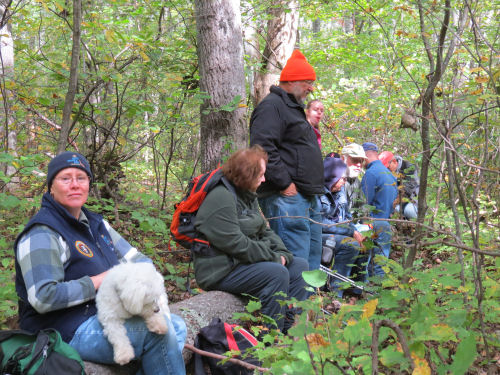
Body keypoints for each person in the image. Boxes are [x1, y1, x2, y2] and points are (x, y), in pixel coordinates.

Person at [14, 151, 186, 375]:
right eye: (66, 179)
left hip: (103, 314)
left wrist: (138, 283)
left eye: (81, 178)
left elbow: (139, 260)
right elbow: (44, 297)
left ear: (88, 184)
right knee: (156, 333)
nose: (75, 185)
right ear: (51, 187)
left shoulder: (97, 224)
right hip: (61, 329)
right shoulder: (42, 232)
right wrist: (101, 280)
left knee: (177, 325)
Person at [193, 146, 309, 334]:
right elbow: (236, 244)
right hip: (220, 271)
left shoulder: (247, 195)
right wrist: (273, 257)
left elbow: (265, 230)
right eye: (261, 175)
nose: (264, 179)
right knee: (277, 273)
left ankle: (292, 331)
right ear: (247, 175)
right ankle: (271, 340)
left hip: (241, 263)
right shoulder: (220, 198)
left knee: (300, 267)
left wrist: (283, 253)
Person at [250, 49, 323, 270]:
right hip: (286, 197)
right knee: (295, 257)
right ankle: (292, 304)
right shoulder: (272, 106)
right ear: (292, 81)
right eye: (308, 82)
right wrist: (284, 182)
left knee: (311, 256)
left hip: (305, 196)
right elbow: (262, 147)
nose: (311, 88)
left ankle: (308, 302)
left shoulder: (292, 108)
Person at [319, 157, 368, 297]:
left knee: (366, 243)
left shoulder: (340, 192)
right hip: (320, 233)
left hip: (339, 231)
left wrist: (356, 231)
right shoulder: (317, 193)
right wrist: (351, 232)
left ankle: (357, 291)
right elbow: (322, 223)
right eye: (342, 178)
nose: (344, 182)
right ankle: (335, 293)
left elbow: (347, 217)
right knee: (351, 245)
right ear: (332, 177)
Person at [361, 143, 398, 277]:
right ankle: (377, 293)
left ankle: (364, 293)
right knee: (381, 264)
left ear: (365, 156)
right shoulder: (390, 174)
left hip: (373, 223)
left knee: (366, 263)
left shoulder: (371, 174)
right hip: (386, 223)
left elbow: (363, 203)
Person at [379, 151, 419, 220]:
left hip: (413, 204)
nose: (386, 170)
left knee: (392, 210)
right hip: (395, 203)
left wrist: (392, 203)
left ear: (394, 162)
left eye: (388, 167)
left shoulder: (409, 168)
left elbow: (408, 190)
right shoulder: (387, 172)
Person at [340, 143, 368, 212]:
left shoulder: (356, 181)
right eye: (354, 160)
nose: (359, 164)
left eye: (361, 161)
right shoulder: (332, 180)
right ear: (343, 159)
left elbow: (362, 207)